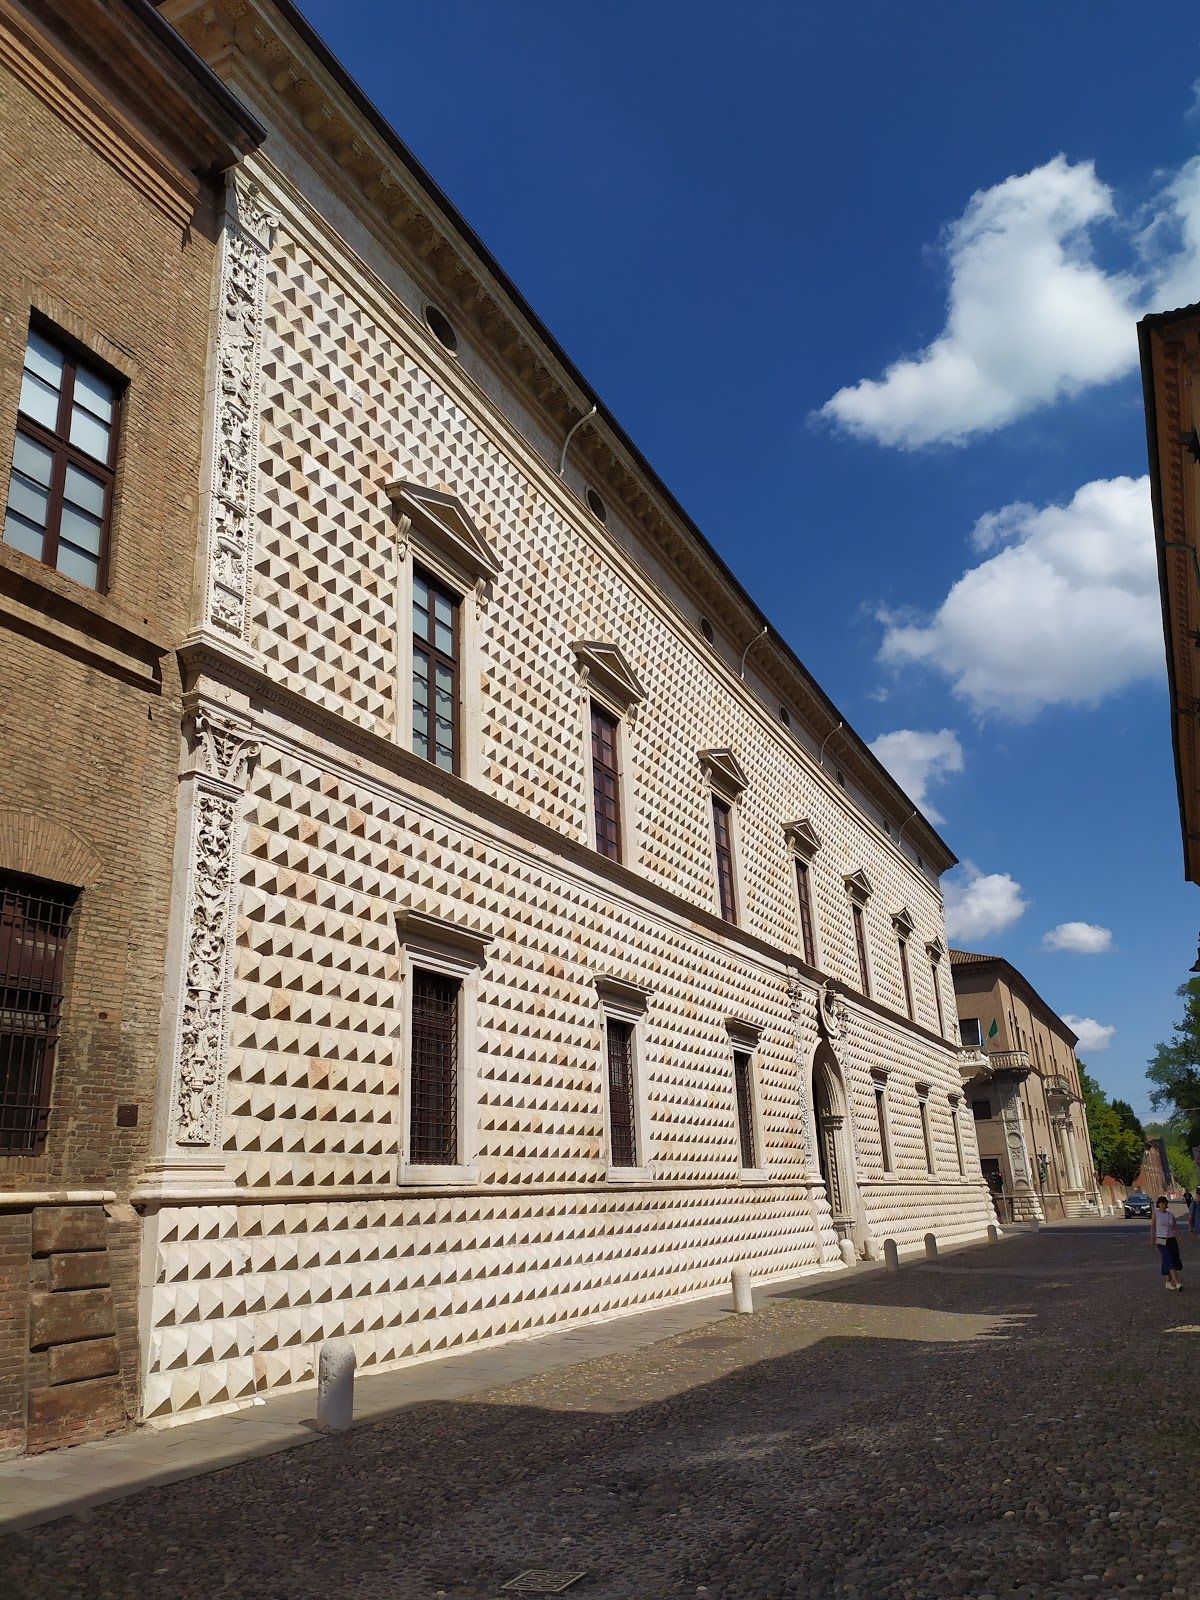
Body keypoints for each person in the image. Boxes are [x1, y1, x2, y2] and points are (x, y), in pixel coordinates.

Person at [1153, 1195, 1183, 1290]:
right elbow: (1153, 1227)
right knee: (1169, 1259)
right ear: (1158, 1204)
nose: (1163, 1205)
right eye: (1161, 1203)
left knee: (1171, 1259)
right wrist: (1152, 1238)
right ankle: (1177, 1283)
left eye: (1165, 1203)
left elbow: (1175, 1226)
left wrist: (1180, 1237)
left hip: (1171, 1239)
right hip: (1161, 1240)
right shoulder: (1156, 1214)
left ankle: (1168, 1282)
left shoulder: (1170, 1215)